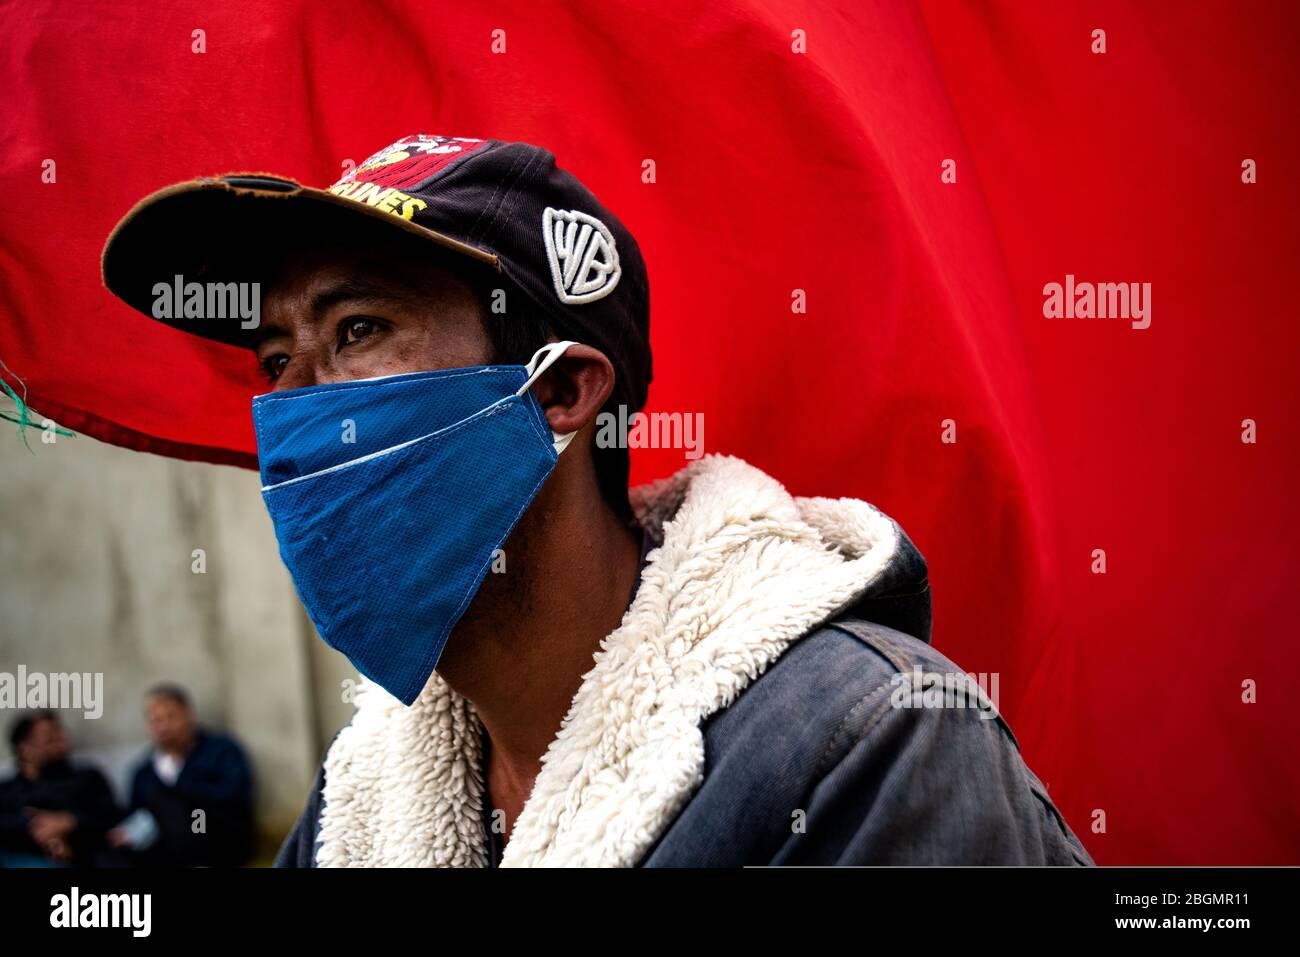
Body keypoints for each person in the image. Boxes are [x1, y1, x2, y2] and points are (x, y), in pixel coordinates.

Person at [101, 134, 1094, 866]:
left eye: (357, 329)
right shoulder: (357, 802)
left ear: (560, 391)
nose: (293, 411)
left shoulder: (868, 741)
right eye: (275, 360)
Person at [110, 685, 254, 867]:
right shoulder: (144, 771)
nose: (164, 727)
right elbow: (137, 814)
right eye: (156, 720)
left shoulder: (222, 751)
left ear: (189, 715)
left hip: (217, 842)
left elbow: (234, 797)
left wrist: (181, 787)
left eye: (171, 717)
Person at [0, 711, 124, 867]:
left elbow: (112, 816)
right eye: (50, 738)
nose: (61, 742)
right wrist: (46, 835)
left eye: (61, 735)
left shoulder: (87, 777)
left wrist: (70, 822)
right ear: (25, 749)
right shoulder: (7, 790)